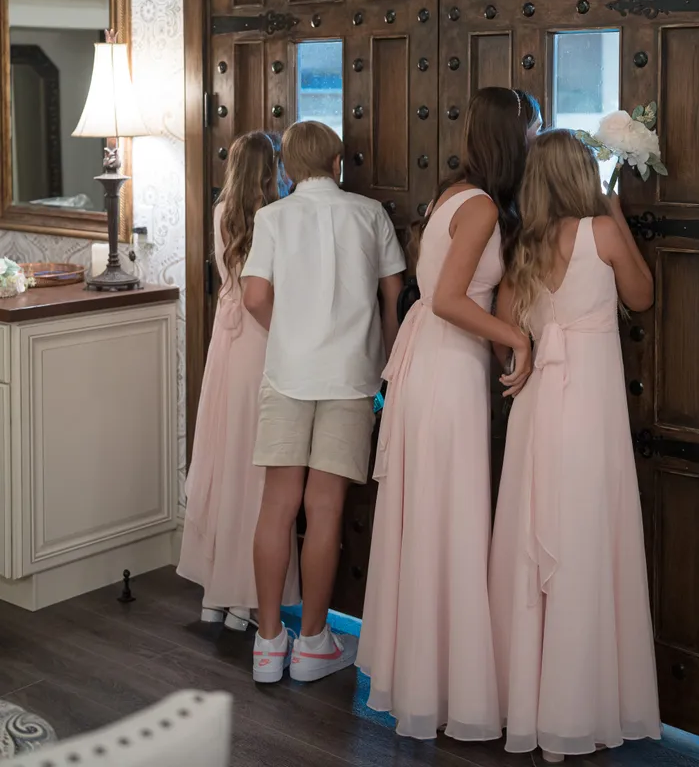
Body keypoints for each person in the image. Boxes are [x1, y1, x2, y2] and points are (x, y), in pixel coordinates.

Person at [357, 87, 539, 741]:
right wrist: (517, 339)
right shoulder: (483, 206)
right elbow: (447, 299)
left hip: (430, 367)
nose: (534, 145)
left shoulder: (452, 195)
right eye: (531, 133)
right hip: (444, 369)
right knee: (448, 518)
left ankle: (425, 678)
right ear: (509, 137)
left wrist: (501, 343)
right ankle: (445, 689)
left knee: (429, 518)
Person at [489, 129, 661, 761]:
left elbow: (504, 325)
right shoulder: (604, 233)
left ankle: (530, 710)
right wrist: (615, 207)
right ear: (583, 175)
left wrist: (538, 334)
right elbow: (642, 296)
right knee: (587, 541)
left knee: (535, 540)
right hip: (589, 409)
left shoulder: (525, 246)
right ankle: (575, 711)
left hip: (537, 408)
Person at [241, 120, 405, 685]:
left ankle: (267, 646)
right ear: (337, 162)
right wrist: (380, 352)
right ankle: (313, 643)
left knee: (277, 507)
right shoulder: (370, 214)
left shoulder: (272, 218)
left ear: (287, 168)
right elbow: (393, 293)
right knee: (326, 510)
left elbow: (255, 295)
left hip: (288, 373)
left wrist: (283, 329)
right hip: (351, 378)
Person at [178, 131, 300, 630]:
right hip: (257, 336)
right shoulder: (275, 216)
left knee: (223, 455)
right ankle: (243, 599)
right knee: (255, 465)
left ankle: (216, 592)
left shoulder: (221, 210)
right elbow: (267, 292)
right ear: (272, 168)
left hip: (224, 342)